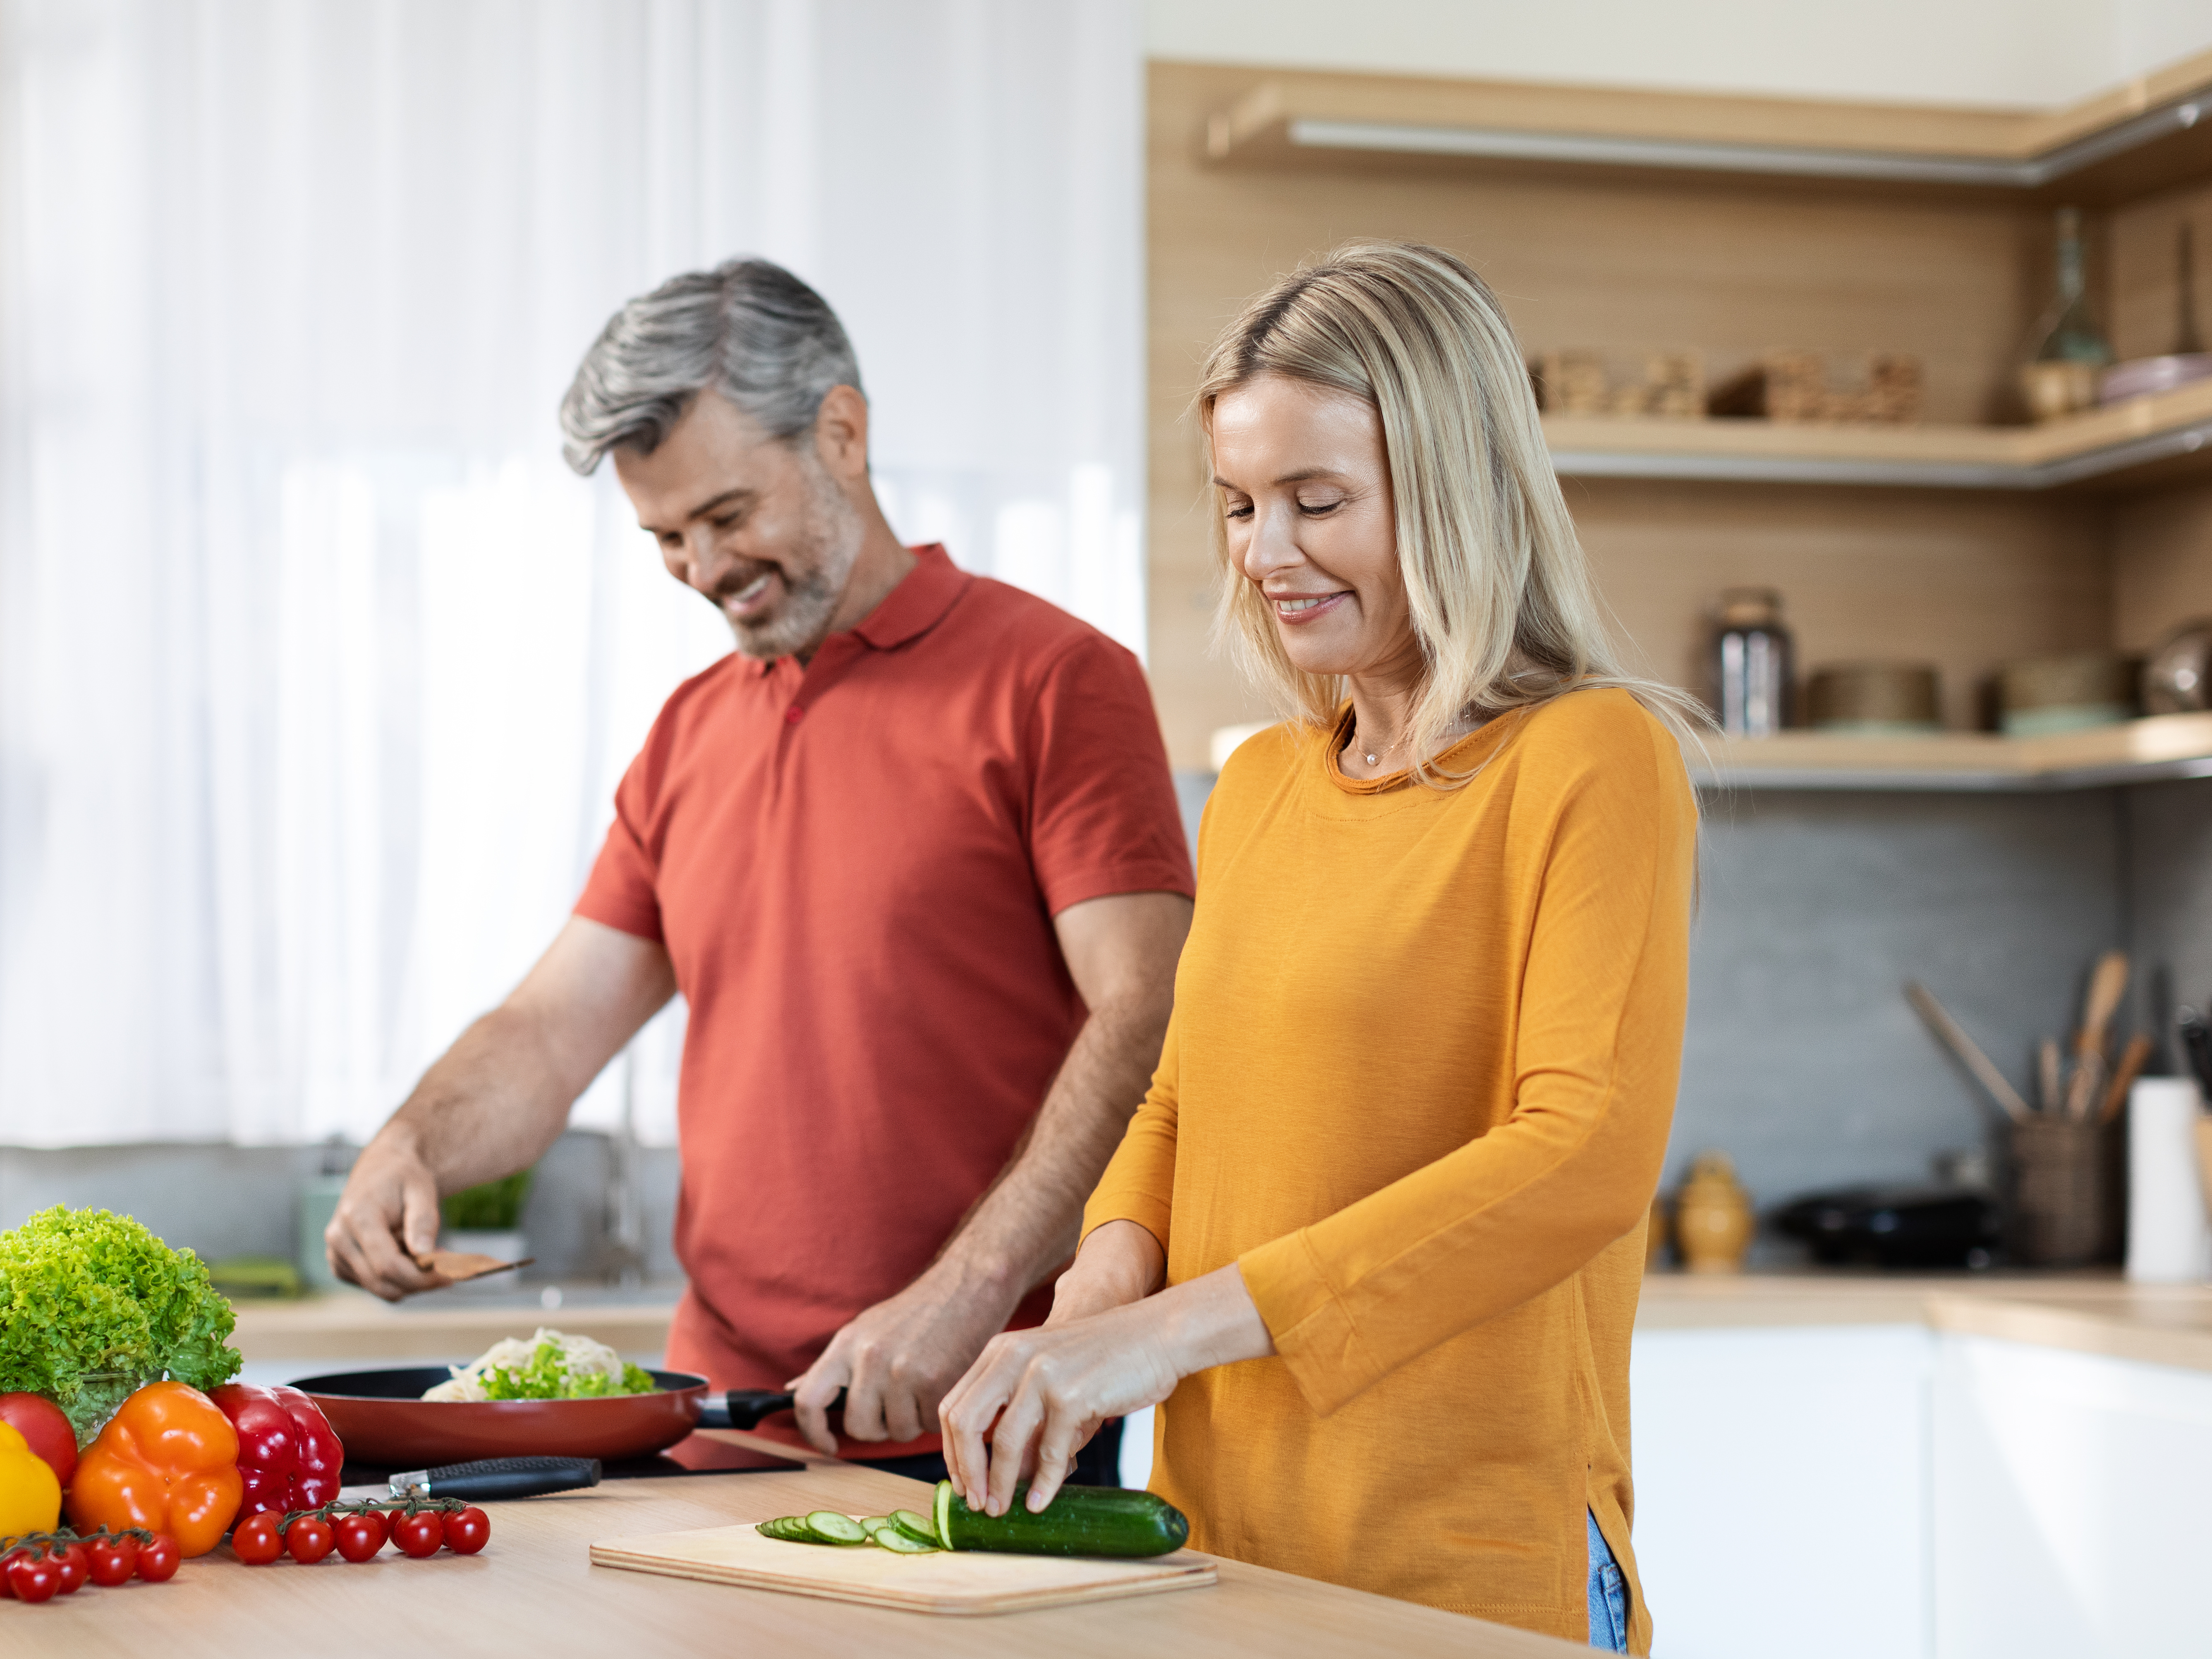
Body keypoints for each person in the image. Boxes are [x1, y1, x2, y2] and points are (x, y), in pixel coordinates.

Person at [937, 241, 1698, 1655]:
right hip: (1220, 1554)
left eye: (1316, 500)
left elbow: (1581, 1150)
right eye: (1238, 503)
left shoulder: (1592, 759)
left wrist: (1168, 1337)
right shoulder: (1262, 786)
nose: (1262, 551)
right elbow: (1181, 1098)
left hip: (1467, 1562)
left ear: (1455, 489)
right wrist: (1090, 1309)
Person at [325, 258, 1196, 1479]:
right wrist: (411, 1143)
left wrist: (968, 1295)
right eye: (665, 534)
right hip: (722, 1426)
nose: (697, 565)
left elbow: (1146, 1014)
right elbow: (547, 1026)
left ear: (841, 430)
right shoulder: (689, 731)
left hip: (976, 1422)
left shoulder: (1055, 681)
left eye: (727, 515)